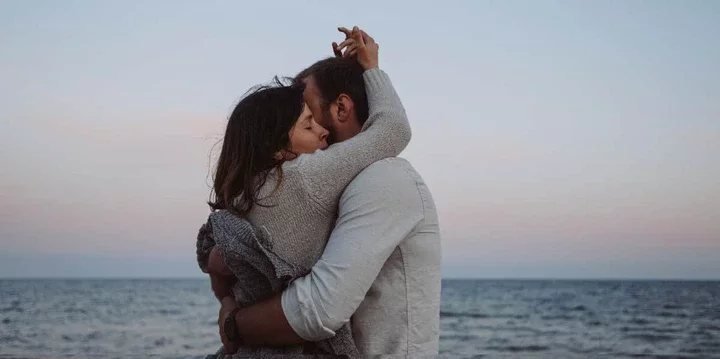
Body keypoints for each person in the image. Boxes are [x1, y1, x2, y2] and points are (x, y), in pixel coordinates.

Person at [214, 27, 442, 356]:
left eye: (305, 111)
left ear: (341, 109)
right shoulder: (320, 183)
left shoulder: (385, 178)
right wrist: (370, 67)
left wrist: (232, 322)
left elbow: (318, 309)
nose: (297, 118)